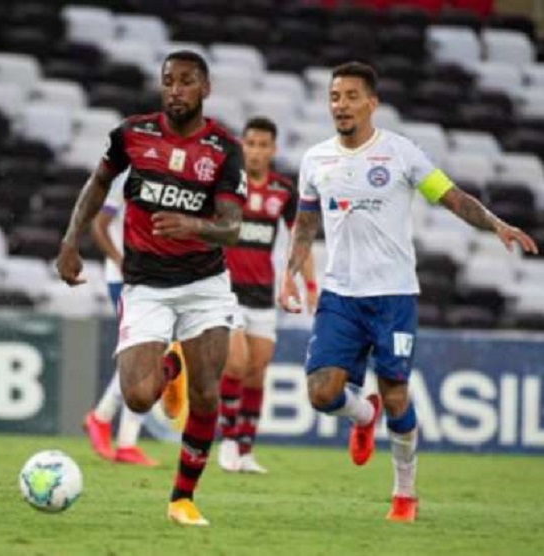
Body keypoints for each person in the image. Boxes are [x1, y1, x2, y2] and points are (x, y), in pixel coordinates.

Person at [279, 61, 538, 523]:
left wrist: (496, 224)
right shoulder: (315, 160)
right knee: (320, 393)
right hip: (340, 296)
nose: (341, 105)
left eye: (351, 96)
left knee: (397, 393)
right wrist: (289, 274)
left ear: (372, 103)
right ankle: (364, 415)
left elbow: (453, 197)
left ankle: (404, 494)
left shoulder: (401, 153)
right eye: (335, 97)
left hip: (393, 296)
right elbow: (305, 225)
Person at [56, 50, 247, 527]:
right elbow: (97, 185)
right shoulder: (131, 134)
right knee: (139, 397)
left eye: (186, 81)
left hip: (204, 285)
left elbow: (231, 228)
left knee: (207, 394)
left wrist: (193, 224)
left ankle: (182, 498)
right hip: (145, 285)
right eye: (168, 81)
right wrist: (70, 242)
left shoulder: (224, 148)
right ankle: (169, 366)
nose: (175, 90)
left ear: (206, 88)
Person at [217, 117, 318, 474]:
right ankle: (228, 441)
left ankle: (246, 450)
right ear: (241, 145)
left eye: (263, 145)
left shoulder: (283, 190)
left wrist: (309, 285)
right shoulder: (227, 184)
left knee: (256, 373)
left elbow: (300, 238)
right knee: (235, 363)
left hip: (262, 294)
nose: (256, 151)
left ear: (273, 149)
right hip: (225, 291)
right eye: (250, 144)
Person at [83, 169, 187, 466]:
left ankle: (106, 422)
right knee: (144, 358)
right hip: (126, 280)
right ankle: (115, 432)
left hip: (154, 278)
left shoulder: (171, 178)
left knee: (147, 358)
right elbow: (99, 226)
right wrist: (120, 261)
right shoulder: (125, 177)